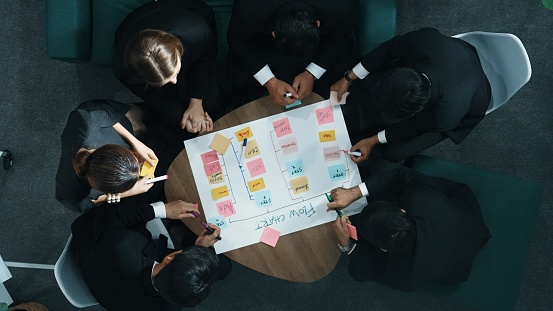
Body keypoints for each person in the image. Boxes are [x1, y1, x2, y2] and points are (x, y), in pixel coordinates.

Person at [333, 27, 491, 162]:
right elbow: (389, 49)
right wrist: (348, 77)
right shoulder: (424, 42)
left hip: (471, 100)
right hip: (451, 52)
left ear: (418, 110)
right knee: (365, 86)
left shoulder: (446, 115)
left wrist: (374, 140)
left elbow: (415, 126)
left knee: (394, 153)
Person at [327, 166, 491, 291]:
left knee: (357, 272)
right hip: (462, 218)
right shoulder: (422, 197)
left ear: (383, 249)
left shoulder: (403, 276)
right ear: (402, 211)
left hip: (454, 259)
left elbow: (376, 270)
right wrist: (356, 192)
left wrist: (347, 245)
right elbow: (401, 174)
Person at [71, 199, 231, 310]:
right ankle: (178, 229)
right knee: (224, 267)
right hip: (115, 281)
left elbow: (109, 215)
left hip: (99, 247)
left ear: (169, 259)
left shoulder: (123, 246)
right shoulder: (172, 303)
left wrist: (162, 210)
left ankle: (177, 227)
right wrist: (200, 248)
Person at [113, 0, 221, 140]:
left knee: (211, 101)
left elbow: (205, 61)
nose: (175, 81)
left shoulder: (198, 31)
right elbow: (150, 94)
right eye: (166, 81)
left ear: (178, 52)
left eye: (174, 74)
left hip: (185, 10)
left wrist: (196, 103)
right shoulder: (123, 70)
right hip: (132, 26)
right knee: (175, 120)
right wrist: (182, 116)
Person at [225, 0, 358, 106]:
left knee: (343, 62)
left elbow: (341, 36)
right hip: (264, 23)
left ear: (318, 24)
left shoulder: (341, 7)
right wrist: (269, 81)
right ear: (273, 33)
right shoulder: (249, 8)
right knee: (236, 75)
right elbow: (236, 40)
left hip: (320, 28)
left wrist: (311, 73)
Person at [55, 99, 169, 212]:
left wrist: (135, 142)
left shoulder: (86, 121)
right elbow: (86, 202)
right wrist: (128, 192)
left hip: (108, 128)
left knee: (142, 124)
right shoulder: (74, 193)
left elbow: (102, 113)